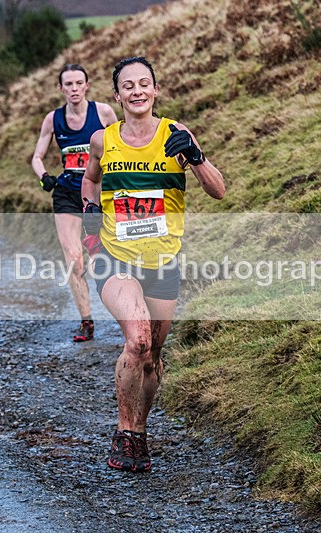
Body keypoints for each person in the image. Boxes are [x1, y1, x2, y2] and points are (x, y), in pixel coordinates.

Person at [80, 57, 226, 472]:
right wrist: (91, 220)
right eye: (129, 86)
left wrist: (195, 158)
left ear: (155, 90)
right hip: (114, 256)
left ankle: (139, 433)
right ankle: (125, 434)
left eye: (145, 84)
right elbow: (90, 180)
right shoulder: (102, 141)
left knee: (154, 355)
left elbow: (218, 191)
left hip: (162, 260)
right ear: (117, 95)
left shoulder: (177, 134)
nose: (137, 91)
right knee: (138, 340)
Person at [31, 63, 118, 342]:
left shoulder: (103, 112)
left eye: (78, 83)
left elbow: (123, 145)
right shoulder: (53, 119)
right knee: (73, 256)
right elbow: (37, 156)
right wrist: (44, 175)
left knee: (107, 256)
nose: (74, 89)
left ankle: (127, 313)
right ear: (61, 88)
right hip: (67, 192)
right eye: (68, 84)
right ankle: (86, 321)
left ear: (87, 85)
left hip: (99, 193)